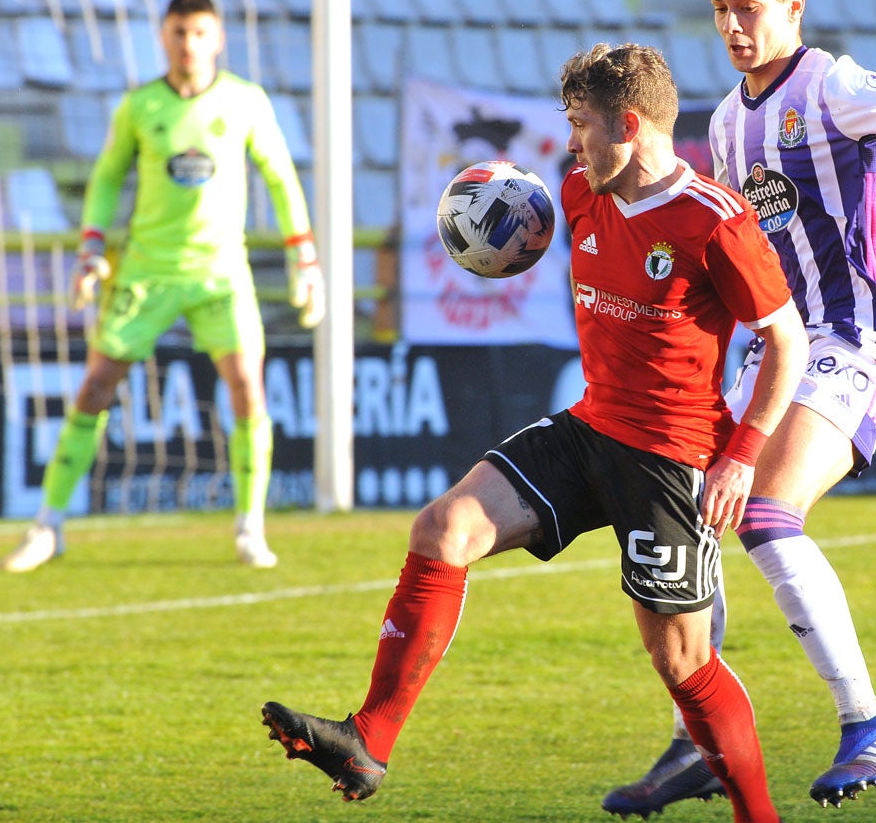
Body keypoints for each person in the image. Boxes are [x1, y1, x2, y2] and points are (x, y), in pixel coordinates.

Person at [260, 43, 807, 823]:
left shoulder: (712, 220)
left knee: (683, 661)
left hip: (671, 458)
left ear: (629, 123)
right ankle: (367, 739)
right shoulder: (579, 192)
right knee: (443, 527)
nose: (570, 143)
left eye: (581, 125)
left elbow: (787, 340)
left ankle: (761, 817)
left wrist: (742, 457)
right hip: (589, 427)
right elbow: (527, 230)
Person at [602, 0, 876, 816]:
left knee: (767, 512)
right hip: (782, 348)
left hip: (862, 340)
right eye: (719, 8)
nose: (733, 24)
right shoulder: (729, 123)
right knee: (688, 527)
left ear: (793, 5)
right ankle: (697, 739)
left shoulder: (833, 86)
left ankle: (870, 728)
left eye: (749, 4)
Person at [1, 0, 325, 573]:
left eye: (200, 33)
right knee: (96, 385)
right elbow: (105, 179)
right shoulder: (139, 105)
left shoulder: (246, 102)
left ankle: (250, 525)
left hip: (220, 269)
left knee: (248, 388)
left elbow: (280, 178)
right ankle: (48, 523)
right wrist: (91, 249)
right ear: (164, 36)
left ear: (218, 37)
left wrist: (306, 258)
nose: (189, 45)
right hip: (148, 269)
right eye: (179, 33)